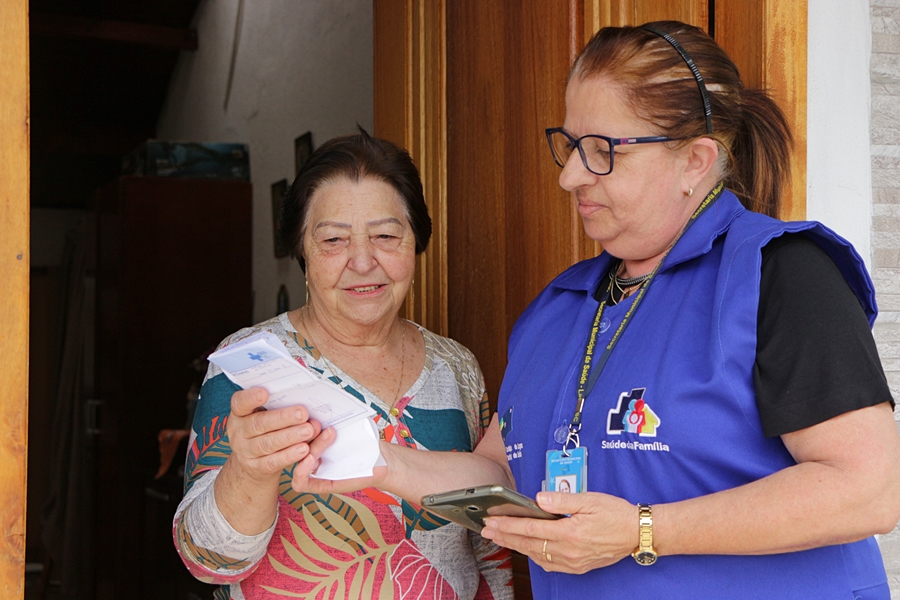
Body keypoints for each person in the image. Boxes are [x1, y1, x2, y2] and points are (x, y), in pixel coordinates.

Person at [276, 21, 900, 599]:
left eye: (602, 149)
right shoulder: (559, 307)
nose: (570, 176)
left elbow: (869, 488)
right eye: (571, 145)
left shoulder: (780, 273)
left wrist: (643, 531)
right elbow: (500, 472)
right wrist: (377, 460)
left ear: (695, 161)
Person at [172, 130, 513, 599]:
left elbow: (488, 545)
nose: (362, 261)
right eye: (333, 239)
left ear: (416, 242)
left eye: (386, 236)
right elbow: (207, 560)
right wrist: (250, 471)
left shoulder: (455, 368)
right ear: (302, 251)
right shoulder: (250, 362)